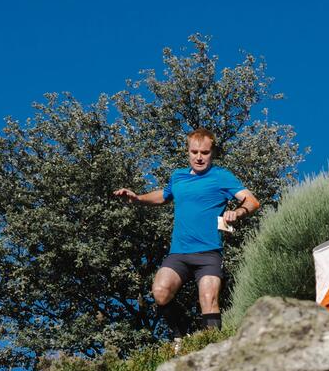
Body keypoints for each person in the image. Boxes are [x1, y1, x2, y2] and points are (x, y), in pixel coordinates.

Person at [112, 127, 261, 334]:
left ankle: (212, 350)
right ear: (188, 152)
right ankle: (181, 335)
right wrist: (138, 198)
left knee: (208, 299)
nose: (199, 157)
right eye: (194, 152)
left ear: (213, 153)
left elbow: (252, 201)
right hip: (179, 253)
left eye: (205, 153)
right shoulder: (178, 176)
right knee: (160, 292)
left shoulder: (221, 176)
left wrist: (238, 212)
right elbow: (164, 196)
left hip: (209, 253)